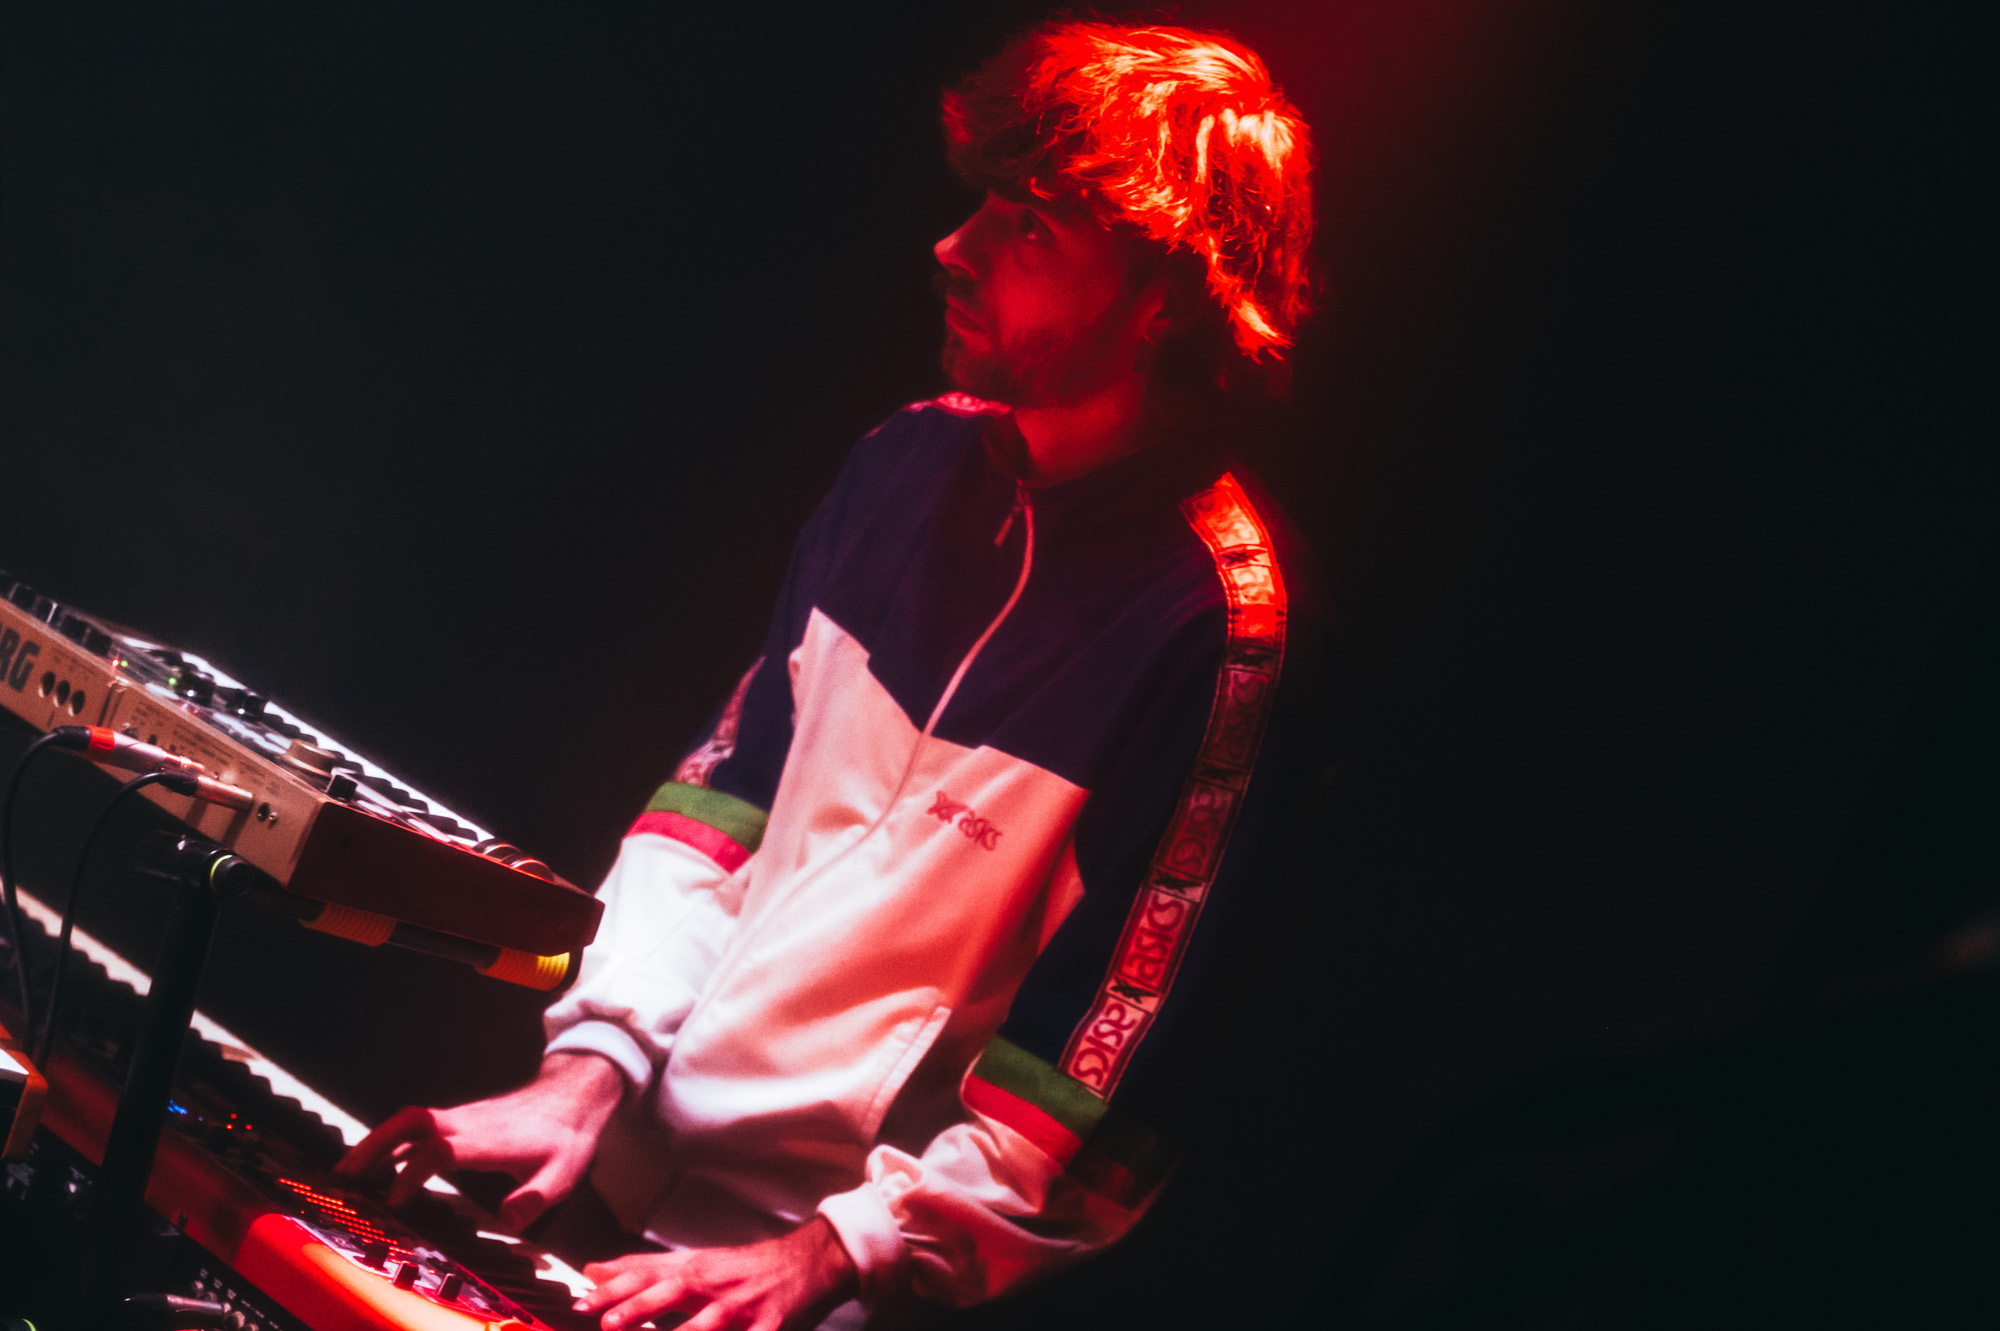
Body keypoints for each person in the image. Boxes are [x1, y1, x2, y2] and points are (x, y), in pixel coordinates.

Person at [336, 21, 1319, 1330]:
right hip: (607, 1174)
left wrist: (836, 1253)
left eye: (1029, 229)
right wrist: (585, 1073)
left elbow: (1099, 1067)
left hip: (823, 1287)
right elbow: (722, 810)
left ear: (1167, 303)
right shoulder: (905, 463)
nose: (953, 246)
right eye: (981, 203)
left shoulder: (1213, 626)